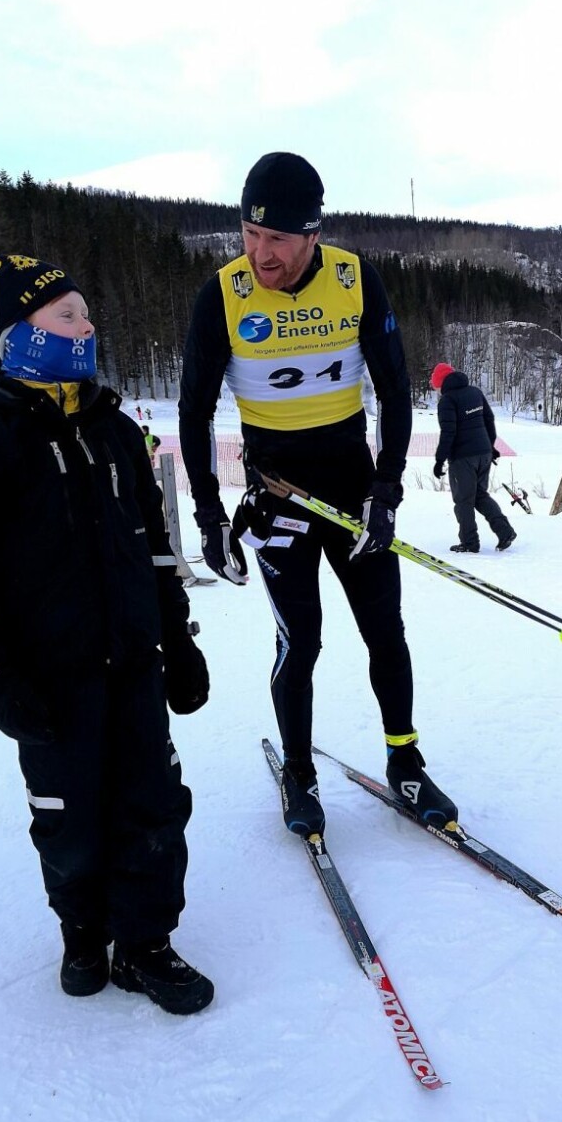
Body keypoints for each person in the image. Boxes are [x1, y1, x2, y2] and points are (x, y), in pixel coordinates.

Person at [0, 253, 214, 1016]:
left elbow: (154, 546)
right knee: (67, 817)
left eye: (85, 312)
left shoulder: (114, 429)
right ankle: (83, 930)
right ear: (18, 334)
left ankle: (145, 944)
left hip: (134, 664)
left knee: (153, 805)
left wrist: (175, 637)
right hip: (46, 680)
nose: (87, 326)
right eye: (67, 315)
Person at [178, 152, 458, 836]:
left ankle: (406, 760)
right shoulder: (224, 293)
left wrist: (387, 489)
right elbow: (192, 410)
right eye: (248, 233)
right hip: (279, 500)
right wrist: (210, 513)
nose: (258, 253)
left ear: (311, 234)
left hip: (354, 494)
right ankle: (299, 775)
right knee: (299, 641)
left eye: (275, 239)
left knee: (384, 631)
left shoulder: (354, 279)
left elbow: (395, 391)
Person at [430, 361, 516, 553]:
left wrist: (439, 460)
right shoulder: (474, 392)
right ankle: (505, 531)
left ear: (440, 382)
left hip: (463, 458)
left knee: (463, 501)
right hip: (484, 453)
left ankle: (470, 543)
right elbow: (489, 420)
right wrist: (490, 446)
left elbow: (448, 432)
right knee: (479, 495)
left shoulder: (448, 400)